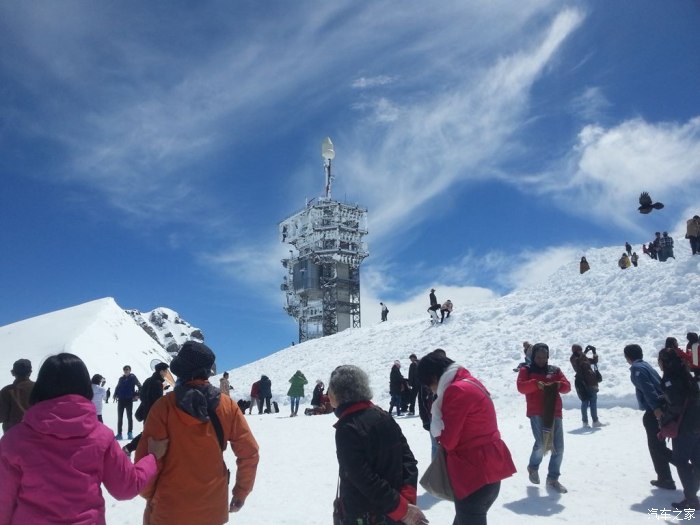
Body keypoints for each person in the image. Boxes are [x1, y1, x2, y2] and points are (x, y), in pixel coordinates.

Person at [0, 353, 167, 524]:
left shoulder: (13, 440)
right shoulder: (101, 436)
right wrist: (152, 458)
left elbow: (3, 504)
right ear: (84, 386)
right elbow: (125, 487)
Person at [135, 341, 259, 524]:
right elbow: (250, 453)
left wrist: (151, 497)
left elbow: (147, 458)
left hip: (169, 510)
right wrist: (240, 493)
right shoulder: (228, 406)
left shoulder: (164, 407)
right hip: (212, 509)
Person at [417, 351, 516, 525]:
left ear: (434, 376)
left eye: (428, 384)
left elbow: (449, 440)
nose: (430, 389)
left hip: (473, 474)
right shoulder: (470, 382)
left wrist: (438, 429)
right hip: (488, 470)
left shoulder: (456, 390)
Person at [328, 365, 428, 525]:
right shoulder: (383, 416)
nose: (327, 394)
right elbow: (408, 460)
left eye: (330, 389)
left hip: (364, 515)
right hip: (394, 513)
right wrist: (406, 500)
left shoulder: (347, 428)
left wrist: (401, 508)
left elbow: (362, 477)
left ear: (340, 392)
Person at [517, 343, 571, 493]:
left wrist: (559, 385)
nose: (541, 360)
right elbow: (521, 387)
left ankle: (553, 478)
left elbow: (567, 387)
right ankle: (533, 467)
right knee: (541, 443)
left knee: (558, 447)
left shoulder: (555, 370)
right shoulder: (526, 370)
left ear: (548, 357)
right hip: (537, 411)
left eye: (544, 357)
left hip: (554, 411)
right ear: (533, 356)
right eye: (538, 357)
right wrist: (536, 384)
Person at [623, 344, 676, 490]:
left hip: (654, 411)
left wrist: (656, 409)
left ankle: (685, 467)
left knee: (656, 447)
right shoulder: (646, 365)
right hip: (662, 407)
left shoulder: (637, 369)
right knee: (658, 445)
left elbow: (648, 390)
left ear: (627, 357)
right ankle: (665, 478)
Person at [656, 347, 700, 510]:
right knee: (697, 460)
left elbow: (675, 405)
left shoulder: (670, 378)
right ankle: (693, 492)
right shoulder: (686, 373)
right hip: (697, 422)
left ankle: (691, 498)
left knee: (681, 461)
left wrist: (663, 418)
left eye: (660, 360)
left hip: (684, 427)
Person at [123, 362, 170, 457]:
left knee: (147, 433)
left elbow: (143, 395)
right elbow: (158, 402)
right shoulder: (158, 383)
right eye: (165, 371)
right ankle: (129, 448)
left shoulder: (149, 380)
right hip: (153, 414)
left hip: (146, 411)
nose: (166, 373)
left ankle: (130, 448)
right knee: (147, 434)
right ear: (161, 371)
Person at [569, 345, 602, 428]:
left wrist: (594, 352)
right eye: (579, 350)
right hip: (583, 383)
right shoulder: (573, 358)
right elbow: (578, 363)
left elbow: (594, 361)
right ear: (575, 351)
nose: (580, 351)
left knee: (593, 402)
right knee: (585, 402)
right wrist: (585, 352)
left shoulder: (583, 357)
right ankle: (585, 422)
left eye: (581, 350)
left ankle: (595, 421)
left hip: (591, 382)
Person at [0, 359, 34, 432]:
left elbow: (1, 416)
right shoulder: (38, 388)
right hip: (34, 432)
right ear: (30, 372)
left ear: (13, 373)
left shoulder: (6, 391)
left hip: (12, 434)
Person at [114, 365, 141, 440]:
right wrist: (115, 394)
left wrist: (137, 395)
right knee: (120, 417)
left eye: (127, 369)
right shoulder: (121, 379)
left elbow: (139, 385)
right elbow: (118, 387)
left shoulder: (133, 378)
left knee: (129, 417)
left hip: (129, 399)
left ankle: (130, 433)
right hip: (121, 400)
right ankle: (119, 434)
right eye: (125, 369)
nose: (126, 370)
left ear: (130, 370)